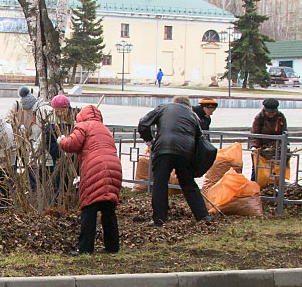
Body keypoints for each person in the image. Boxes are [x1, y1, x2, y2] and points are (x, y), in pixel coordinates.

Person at [138, 96, 212, 226]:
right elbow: (199, 138)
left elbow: (143, 123)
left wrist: (150, 142)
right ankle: (203, 216)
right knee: (188, 184)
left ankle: (159, 219)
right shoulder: (193, 115)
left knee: (160, 184)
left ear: (175, 103)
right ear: (188, 105)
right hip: (185, 152)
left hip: (163, 149)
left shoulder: (163, 107)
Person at [59, 105, 121, 255]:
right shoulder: (105, 129)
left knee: (89, 208)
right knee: (108, 209)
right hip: (114, 169)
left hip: (95, 169)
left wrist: (61, 140)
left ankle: (85, 248)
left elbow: (72, 144)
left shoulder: (83, 126)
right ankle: (112, 247)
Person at [249, 98, 288, 181]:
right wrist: (254, 146)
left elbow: (284, 132)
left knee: (275, 168)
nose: (271, 114)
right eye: (269, 112)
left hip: (275, 148)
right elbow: (254, 134)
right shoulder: (259, 117)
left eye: (273, 112)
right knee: (257, 169)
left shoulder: (280, 117)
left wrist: (286, 144)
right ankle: (255, 185)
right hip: (261, 147)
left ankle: (274, 186)